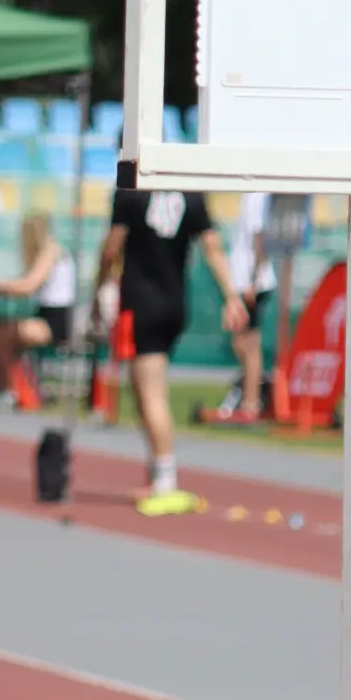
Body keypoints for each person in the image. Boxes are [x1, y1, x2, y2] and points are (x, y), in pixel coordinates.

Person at [97, 185, 241, 516]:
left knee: (150, 394)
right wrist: (230, 295)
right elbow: (213, 246)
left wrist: (100, 285)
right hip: (175, 301)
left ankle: (166, 478)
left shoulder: (130, 192)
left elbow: (112, 247)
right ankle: (157, 472)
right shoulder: (190, 193)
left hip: (141, 301)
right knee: (142, 389)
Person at [0, 215, 78, 397]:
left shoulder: (51, 251)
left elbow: (28, 286)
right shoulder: (47, 252)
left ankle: (7, 389)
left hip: (55, 321)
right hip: (43, 315)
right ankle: (1, 386)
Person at [207, 188, 276, 423]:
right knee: (242, 343)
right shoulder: (251, 196)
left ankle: (251, 401)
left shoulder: (258, 196)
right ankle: (250, 395)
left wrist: (253, 281)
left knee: (249, 344)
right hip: (247, 280)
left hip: (252, 282)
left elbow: (260, 239)